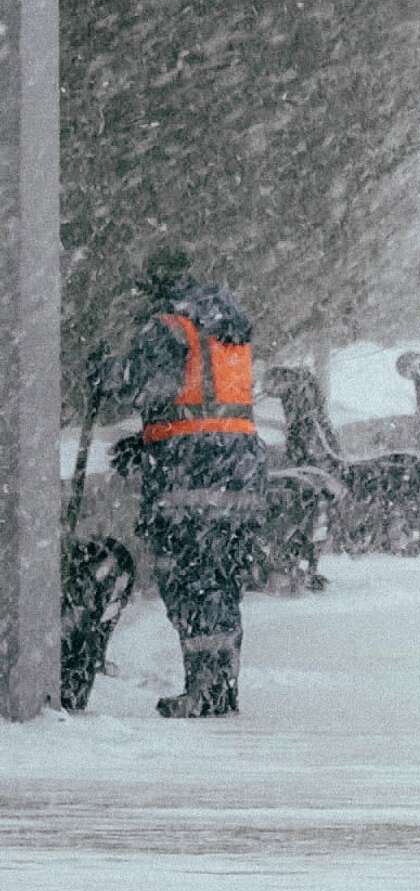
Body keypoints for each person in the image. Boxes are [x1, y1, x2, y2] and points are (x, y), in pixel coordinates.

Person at [100, 247, 267, 718]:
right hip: (238, 474)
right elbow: (202, 404)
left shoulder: (169, 327)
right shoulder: (224, 327)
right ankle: (220, 687)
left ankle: (204, 691)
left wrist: (108, 374)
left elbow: (148, 387)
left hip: (190, 479)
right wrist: (148, 440)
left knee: (191, 584)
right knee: (221, 584)